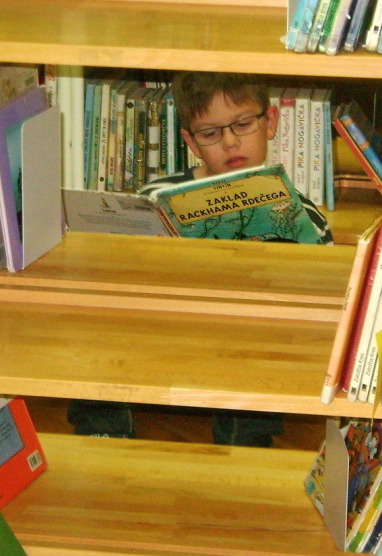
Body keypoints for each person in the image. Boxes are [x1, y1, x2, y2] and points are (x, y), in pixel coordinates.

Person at [67, 71, 332, 446]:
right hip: (174, 329)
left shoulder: (300, 211)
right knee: (95, 318)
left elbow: (323, 291)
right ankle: (105, 431)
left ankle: (244, 440)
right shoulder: (159, 194)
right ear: (191, 142)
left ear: (270, 122)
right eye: (210, 133)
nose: (230, 141)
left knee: (259, 341)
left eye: (243, 124)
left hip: (248, 340)